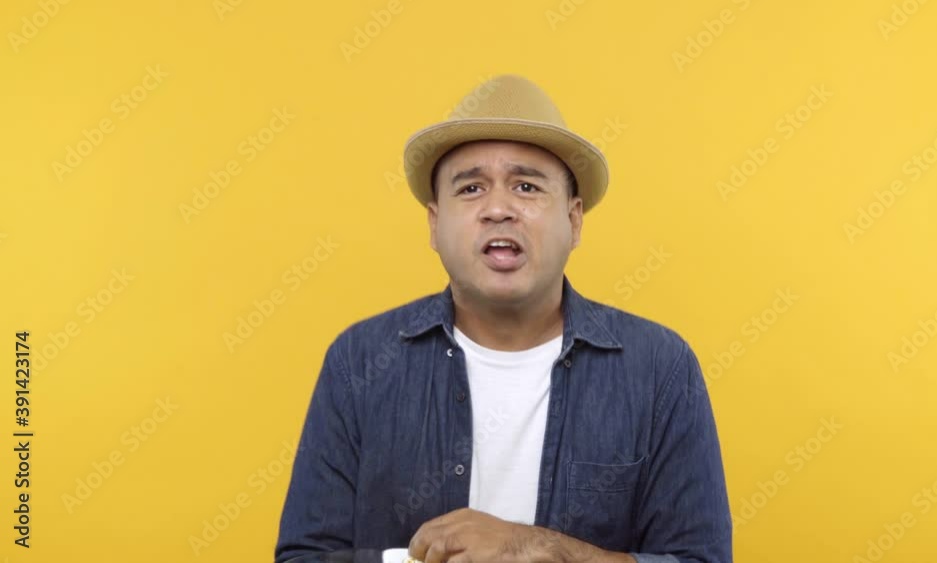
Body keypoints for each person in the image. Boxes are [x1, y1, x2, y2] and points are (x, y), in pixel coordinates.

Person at [275, 75, 732, 563]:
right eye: (471, 187)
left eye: (526, 186)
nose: (498, 209)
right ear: (434, 223)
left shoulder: (660, 368)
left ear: (574, 220)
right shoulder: (359, 362)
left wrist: (536, 548)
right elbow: (304, 558)